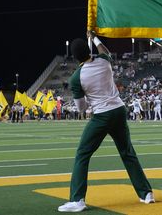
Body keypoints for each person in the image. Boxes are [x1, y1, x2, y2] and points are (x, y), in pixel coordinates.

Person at [57, 32, 154, 213]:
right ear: (89, 50)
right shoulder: (104, 61)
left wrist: (89, 97)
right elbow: (104, 51)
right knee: (127, 153)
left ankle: (77, 199)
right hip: (119, 110)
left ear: (75, 57)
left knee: (82, 154)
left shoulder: (76, 77)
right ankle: (146, 193)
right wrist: (94, 37)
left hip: (102, 115)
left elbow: (81, 108)